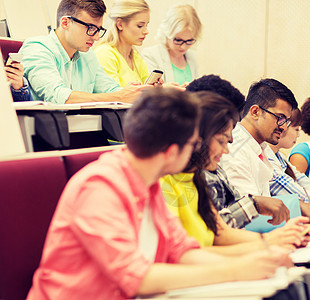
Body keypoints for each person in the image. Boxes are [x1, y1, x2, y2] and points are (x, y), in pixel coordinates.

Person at [27, 88, 291, 300]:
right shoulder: (99, 187)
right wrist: (234, 271)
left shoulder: (149, 183)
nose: (195, 151)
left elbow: (182, 252)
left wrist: (256, 257)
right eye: (191, 144)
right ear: (171, 151)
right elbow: (136, 277)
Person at [160, 90, 310, 253]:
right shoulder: (166, 182)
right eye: (221, 141)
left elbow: (219, 231)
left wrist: (277, 240)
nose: (226, 150)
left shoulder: (193, 177)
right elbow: (185, 254)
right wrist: (268, 244)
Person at [220, 78, 310, 222]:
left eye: (287, 121)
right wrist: (301, 213)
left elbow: (266, 203)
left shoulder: (262, 147)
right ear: (256, 112)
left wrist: (304, 210)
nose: (284, 127)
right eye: (280, 118)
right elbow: (249, 215)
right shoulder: (234, 148)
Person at [185, 75, 291, 228]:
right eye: (280, 119)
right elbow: (218, 231)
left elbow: (222, 225)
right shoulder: (183, 176)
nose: (284, 127)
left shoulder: (213, 168)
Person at [20, 0, 146, 104]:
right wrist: (119, 96)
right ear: (65, 23)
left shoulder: (88, 55)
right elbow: (57, 96)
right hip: (45, 130)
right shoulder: (37, 47)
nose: (96, 37)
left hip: (81, 129)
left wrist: (136, 92)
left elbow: (110, 89)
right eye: (91, 28)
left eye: (98, 30)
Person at [94, 0, 151, 87]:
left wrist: (158, 88)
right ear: (120, 24)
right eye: (140, 26)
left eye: (146, 25)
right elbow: (114, 96)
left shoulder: (135, 56)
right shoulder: (104, 54)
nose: (146, 31)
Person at [142, 4, 201, 86]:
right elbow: (149, 92)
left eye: (189, 41)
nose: (183, 46)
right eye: (178, 40)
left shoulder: (192, 56)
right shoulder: (151, 55)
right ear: (166, 33)